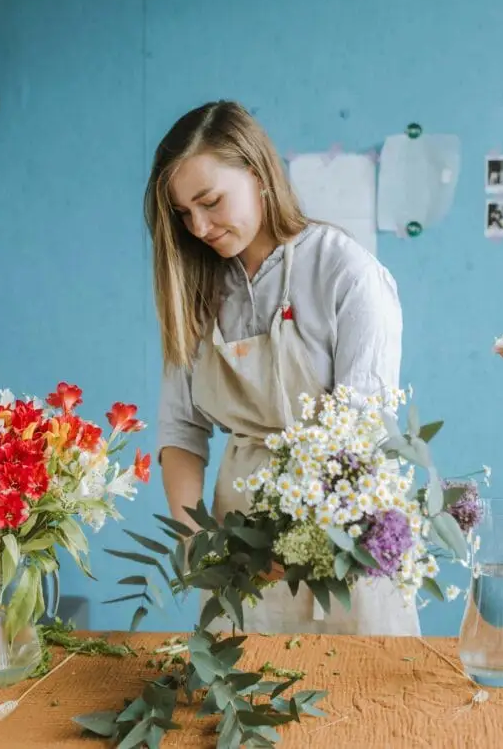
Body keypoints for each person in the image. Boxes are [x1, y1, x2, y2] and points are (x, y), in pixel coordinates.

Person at [144, 100, 420, 636]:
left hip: (344, 535)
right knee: (236, 706)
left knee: (365, 708)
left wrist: (300, 539)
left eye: (210, 201)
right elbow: (181, 429)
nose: (198, 227)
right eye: (183, 213)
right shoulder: (196, 288)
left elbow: (361, 435)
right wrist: (196, 543)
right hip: (237, 542)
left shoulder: (347, 274)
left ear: (257, 172)